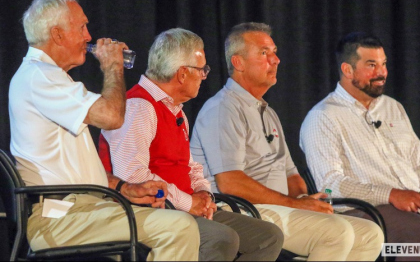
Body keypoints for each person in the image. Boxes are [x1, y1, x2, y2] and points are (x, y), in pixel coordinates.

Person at [9, 0, 200, 261]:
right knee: (178, 227)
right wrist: (113, 66)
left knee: (173, 223)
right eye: (82, 27)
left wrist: (123, 187)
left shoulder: (51, 79)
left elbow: (72, 172)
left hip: (84, 208)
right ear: (58, 34)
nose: (89, 36)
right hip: (60, 217)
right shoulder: (40, 76)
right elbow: (112, 117)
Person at [190, 22, 384, 261]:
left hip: (279, 208)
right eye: (264, 53)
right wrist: (295, 204)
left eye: (274, 51)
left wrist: (304, 198)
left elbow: (290, 173)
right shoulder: (222, 109)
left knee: (370, 233)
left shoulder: (267, 112)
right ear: (238, 63)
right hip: (241, 210)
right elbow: (231, 183)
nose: (276, 60)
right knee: (337, 232)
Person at [299, 32, 420, 261]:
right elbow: (330, 186)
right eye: (371, 65)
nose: (382, 73)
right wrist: (390, 195)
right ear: (348, 70)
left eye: (384, 64)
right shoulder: (322, 117)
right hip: (363, 212)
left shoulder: (393, 108)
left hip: (417, 209)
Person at [98, 28, 284, 261]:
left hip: (182, 207)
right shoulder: (139, 106)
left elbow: (190, 166)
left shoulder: (175, 110)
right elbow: (133, 176)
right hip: (149, 211)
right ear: (183, 74)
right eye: (202, 69)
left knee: (267, 236)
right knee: (221, 238)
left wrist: (203, 194)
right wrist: (189, 203)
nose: (204, 76)